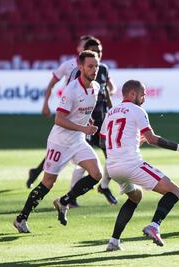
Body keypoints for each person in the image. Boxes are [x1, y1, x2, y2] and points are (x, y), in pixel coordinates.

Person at [14, 50, 103, 233]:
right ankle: (21, 218)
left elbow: (81, 113)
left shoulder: (95, 87)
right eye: (90, 66)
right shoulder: (71, 90)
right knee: (48, 182)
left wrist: (88, 122)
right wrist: (84, 128)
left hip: (77, 140)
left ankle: (63, 201)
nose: (94, 70)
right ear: (80, 67)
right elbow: (59, 119)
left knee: (96, 174)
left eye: (96, 66)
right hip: (60, 141)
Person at [100, 80, 179, 251]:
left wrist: (129, 143)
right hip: (131, 164)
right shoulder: (137, 110)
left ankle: (113, 241)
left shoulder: (110, 112)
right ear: (132, 94)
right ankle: (154, 225)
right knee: (175, 191)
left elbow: (102, 140)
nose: (144, 98)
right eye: (143, 95)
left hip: (113, 168)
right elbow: (152, 139)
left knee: (135, 197)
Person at [26, 35, 95, 189]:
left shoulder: (93, 68)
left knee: (63, 147)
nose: (87, 50)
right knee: (61, 144)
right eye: (85, 47)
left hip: (80, 112)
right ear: (79, 49)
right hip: (66, 110)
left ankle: (37, 173)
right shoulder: (68, 65)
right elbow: (51, 84)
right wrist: (45, 104)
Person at [67, 37, 118, 207]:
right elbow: (71, 92)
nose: (99, 55)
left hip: (102, 121)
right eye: (95, 52)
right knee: (84, 163)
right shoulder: (78, 72)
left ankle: (103, 186)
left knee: (112, 158)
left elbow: (106, 91)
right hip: (85, 122)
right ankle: (72, 195)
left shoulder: (103, 69)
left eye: (100, 51)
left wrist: (112, 110)